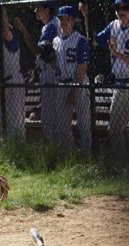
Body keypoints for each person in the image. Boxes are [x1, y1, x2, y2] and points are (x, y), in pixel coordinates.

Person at [14, 2, 60, 141]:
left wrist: (22, 30)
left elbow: (36, 51)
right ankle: (58, 150)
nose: (35, 10)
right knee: (53, 119)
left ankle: (56, 150)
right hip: (51, 73)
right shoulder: (51, 24)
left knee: (48, 120)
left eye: (38, 7)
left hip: (51, 74)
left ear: (46, 9)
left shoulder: (52, 26)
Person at [53, 6, 91, 151]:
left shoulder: (80, 40)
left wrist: (74, 90)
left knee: (84, 124)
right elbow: (56, 65)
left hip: (79, 85)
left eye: (66, 18)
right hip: (62, 84)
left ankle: (87, 156)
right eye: (61, 18)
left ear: (73, 20)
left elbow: (82, 68)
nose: (63, 21)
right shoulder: (55, 40)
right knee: (63, 125)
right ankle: (68, 156)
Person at [94, 0, 129, 148]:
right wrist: (84, 17)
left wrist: (117, 53)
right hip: (120, 83)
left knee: (115, 130)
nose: (121, 11)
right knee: (114, 130)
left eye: (125, 8)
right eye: (118, 8)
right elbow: (96, 41)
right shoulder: (113, 26)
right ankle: (121, 165)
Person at [0, 9, 26, 139]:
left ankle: (19, 148)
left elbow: (4, 27)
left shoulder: (9, 35)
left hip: (12, 82)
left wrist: (1, 9)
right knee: (0, 121)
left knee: (16, 122)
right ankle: (6, 148)